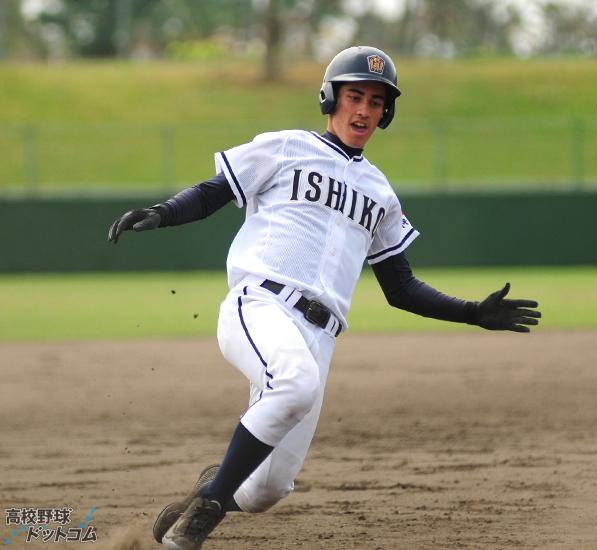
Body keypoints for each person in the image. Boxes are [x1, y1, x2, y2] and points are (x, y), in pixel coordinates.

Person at [107, 46, 541, 550]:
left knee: (266, 489)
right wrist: (162, 212)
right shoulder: (286, 147)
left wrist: (470, 312)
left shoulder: (381, 193)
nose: (364, 110)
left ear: (386, 113)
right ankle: (194, 528)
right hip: (261, 305)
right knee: (292, 383)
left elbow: (399, 288)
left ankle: (208, 490)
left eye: (377, 102)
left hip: (321, 336)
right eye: (355, 96)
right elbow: (215, 191)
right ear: (331, 98)